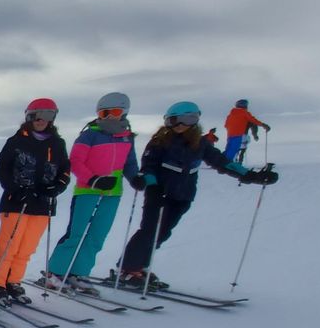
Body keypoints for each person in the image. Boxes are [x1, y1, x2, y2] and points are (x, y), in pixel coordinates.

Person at [116, 102, 279, 288]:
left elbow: (221, 162)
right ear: (168, 122)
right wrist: (152, 186)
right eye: (175, 121)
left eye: (188, 120)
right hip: (159, 192)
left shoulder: (200, 143)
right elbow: (149, 166)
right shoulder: (159, 141)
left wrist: (252, 176)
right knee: (149, 230)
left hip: (183, 194)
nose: (181, 125)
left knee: (162, 232)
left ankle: (140, 266)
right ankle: (128, 269)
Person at [42, 92, 138, 295]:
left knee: (97, 235)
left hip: (113, 193)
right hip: (87, 191)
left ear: (124, 112)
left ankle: (79, 273)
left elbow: (129, 164)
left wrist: (135, 178)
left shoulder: (127, 138)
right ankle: (55, 273)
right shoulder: (89, 135)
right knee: (75, 233)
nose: (109, 116)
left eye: (115, 112)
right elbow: (76, 161)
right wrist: (93, 179)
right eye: (104, 113)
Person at [0, 99, 71, 305]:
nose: (41, 120)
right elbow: (1, 171)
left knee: (27, 248)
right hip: (17, 202)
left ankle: (13, 281)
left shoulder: (57, 143)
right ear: (29, 117)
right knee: (8, 246)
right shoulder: (16, 141)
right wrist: (17, 189)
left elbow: (65, 169)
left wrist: (58, 186)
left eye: (47, 116)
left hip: (42, 203)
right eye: (36, 116)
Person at [223, 99, 271, 163]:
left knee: (229, 148)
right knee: (234, 149)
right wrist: (263, 125)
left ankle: (222, 160)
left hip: (230, 134)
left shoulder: (230, 114)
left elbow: (226, 125)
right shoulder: (244, 113)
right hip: (238, 134)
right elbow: (253, 120)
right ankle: (228, 163)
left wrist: (233, 127)